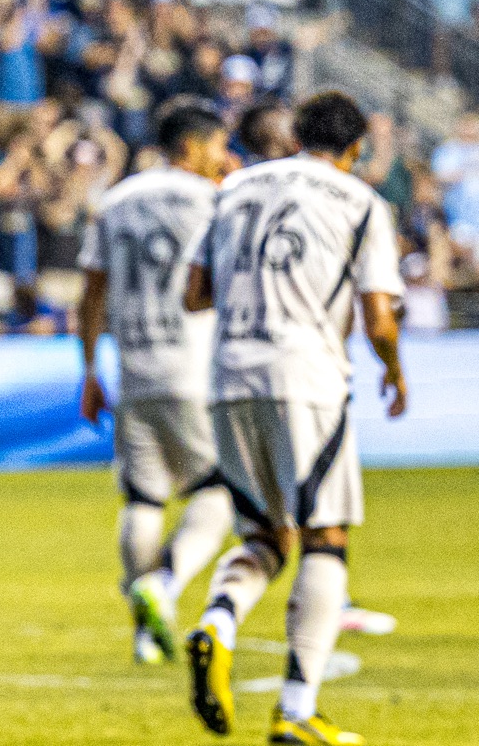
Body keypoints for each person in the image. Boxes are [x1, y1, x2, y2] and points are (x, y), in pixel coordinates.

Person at [181, 92, 407, 746]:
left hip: (228, 376)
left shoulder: (235, 187)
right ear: (356, 147)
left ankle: (219, 621)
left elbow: (194, 293)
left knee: (264, 536)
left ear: (299, 133)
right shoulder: (360, 200)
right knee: (324, 537)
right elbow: (380, 317)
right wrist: (394, 370)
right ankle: (297, 709)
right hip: (306, 377)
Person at [76, 99, 234, 665]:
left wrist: (90, 369)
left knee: (143, 497)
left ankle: (145, 633)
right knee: (217, 494)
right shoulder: (215, 200)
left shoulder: (115, 201)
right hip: (194, 367)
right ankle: (164, 586)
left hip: (134, 367)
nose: (223, 158)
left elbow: (91, 294)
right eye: (218, 146)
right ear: (191, 146)